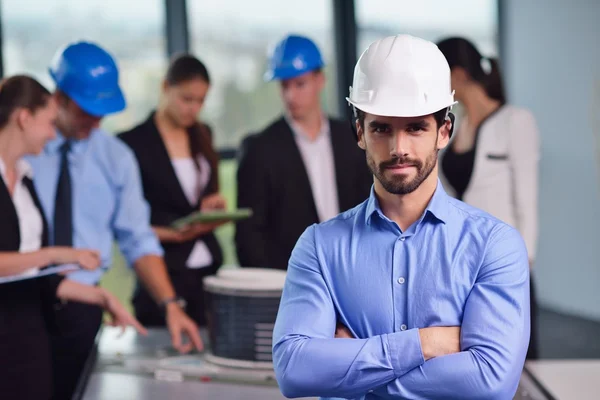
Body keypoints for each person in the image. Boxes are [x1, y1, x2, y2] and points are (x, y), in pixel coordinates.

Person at [272, 34, 530, 400]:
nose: (399, 149)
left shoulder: (494, 246)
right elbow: (295, 370)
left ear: (444, 130)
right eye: (382, 128)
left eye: (415, 127)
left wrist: (352, 368)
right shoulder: (319, 247)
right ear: (359, 131)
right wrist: (427, 343)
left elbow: (491, 380)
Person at [26, 41, 202, 400]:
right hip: (20, 305)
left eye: (101, 111)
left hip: (82, 309)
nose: (95, 119)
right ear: (58, 97)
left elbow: (138, 239)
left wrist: (170, 304)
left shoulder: (116, 159)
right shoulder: (24, 150)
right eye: (85, 109)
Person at [0, 75, 146, 400]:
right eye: (48, 122)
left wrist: (102, 297)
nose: (52, 134)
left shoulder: (25, 181)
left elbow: (35, 277)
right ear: (24, 118)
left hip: (29, 334)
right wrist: (58, 254)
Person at [436, 36, 540, 359]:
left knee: (512, 367)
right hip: (459, 271)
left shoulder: (516, 121)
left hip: (503, 271)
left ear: (458, 75)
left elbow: (528, 204)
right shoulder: (454, 128)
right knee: (466, 365)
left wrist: (518, 272)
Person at [235, 34, 372, 270]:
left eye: (299, 84)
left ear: (321, 80)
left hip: (354, 268)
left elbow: (371, 205)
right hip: (289, 279)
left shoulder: (352, 138)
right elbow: (249, 237)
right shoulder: (260, 149)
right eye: (284, 86)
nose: (290, 95)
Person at [119, 54, 228, 328]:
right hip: (163, 269)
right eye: (186, 99)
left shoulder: (203, 134)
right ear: (165, 88)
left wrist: (212, 207)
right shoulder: (131, 144)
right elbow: (126, 222)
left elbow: (203, 195)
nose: (193, 109)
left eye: (201, 101)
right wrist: (172, 234)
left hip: (208, 269)